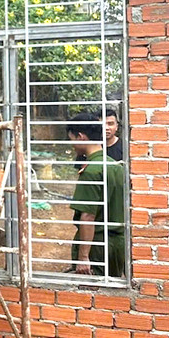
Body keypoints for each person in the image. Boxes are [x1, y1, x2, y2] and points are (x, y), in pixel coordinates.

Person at [67, 113, 126, 277]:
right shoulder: (114, 166)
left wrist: (83, 257)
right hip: (117, 243)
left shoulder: (92, 171)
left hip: (98, 245)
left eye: (71, 139)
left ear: (80, 137)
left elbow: (87, 216)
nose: (71, 144)